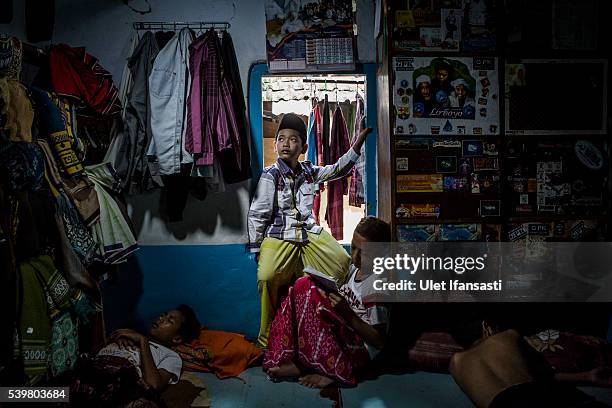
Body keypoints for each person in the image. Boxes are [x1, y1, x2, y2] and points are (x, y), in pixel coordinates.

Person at [248, 113, 371, 348]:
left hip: (309, 235)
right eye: (281, 139)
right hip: (279, 236)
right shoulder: (270, 175)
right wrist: (257, 249)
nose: (286, 143)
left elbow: (338, 169)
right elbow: (257, 214)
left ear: (303, 147)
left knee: (343, 265)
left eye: (293, 139)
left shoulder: (309, 172)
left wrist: (358, 142)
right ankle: (266, 340)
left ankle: (344, 324)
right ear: (275, 145)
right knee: (266, 277)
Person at [263, 216, 391, 388]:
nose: (355, 256)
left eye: (365, 253)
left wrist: (347, 313)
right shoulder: (355, 271)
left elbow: (379, 341)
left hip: (359, 350)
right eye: (353, 248)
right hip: (345, 332)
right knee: (302, 286)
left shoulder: (377, 287)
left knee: (313, 296)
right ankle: (301, 361)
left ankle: (332, 371)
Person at [450, 320, 612, 408]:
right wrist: (588, 377)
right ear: (487, 327)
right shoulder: (508, 336)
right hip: (537, 395)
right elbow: (543, 377)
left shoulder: (455, 363)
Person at [70, 305, 201, 406]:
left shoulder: (171, 356)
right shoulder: (130, 335)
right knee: (52, 394)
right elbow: (93, 353)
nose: (161, 319)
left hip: (116, 382)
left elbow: (153, 385)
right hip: (91, 372)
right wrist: (113, 341)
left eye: (169, 321)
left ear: (177, 339)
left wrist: (142, 341)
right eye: (163, 315)